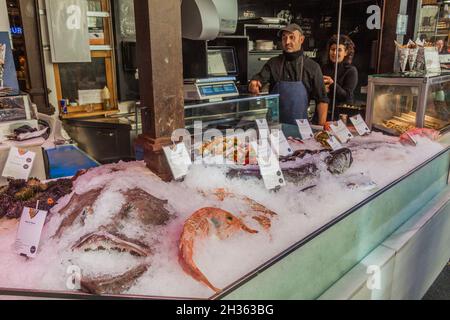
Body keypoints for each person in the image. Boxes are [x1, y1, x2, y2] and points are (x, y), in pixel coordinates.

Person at [248, 24, 329, 126]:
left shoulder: (313, 67)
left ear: (301, 39)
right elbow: (259, 79)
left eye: (292, 37)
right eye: (284, 38)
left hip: (301, 128)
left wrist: (321, 127)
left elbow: (322, 100)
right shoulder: (273, 63)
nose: (287, 42)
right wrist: (254, 83)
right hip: (274, 127)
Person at [322, 35, 358, 113]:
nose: (335, 53)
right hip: (324, 112)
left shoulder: (351, 70)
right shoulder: (324, 68)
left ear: (346, 52)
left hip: (342, 114)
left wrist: (332, 84)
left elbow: (347, 96)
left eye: (339, 50)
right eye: (332, 49)